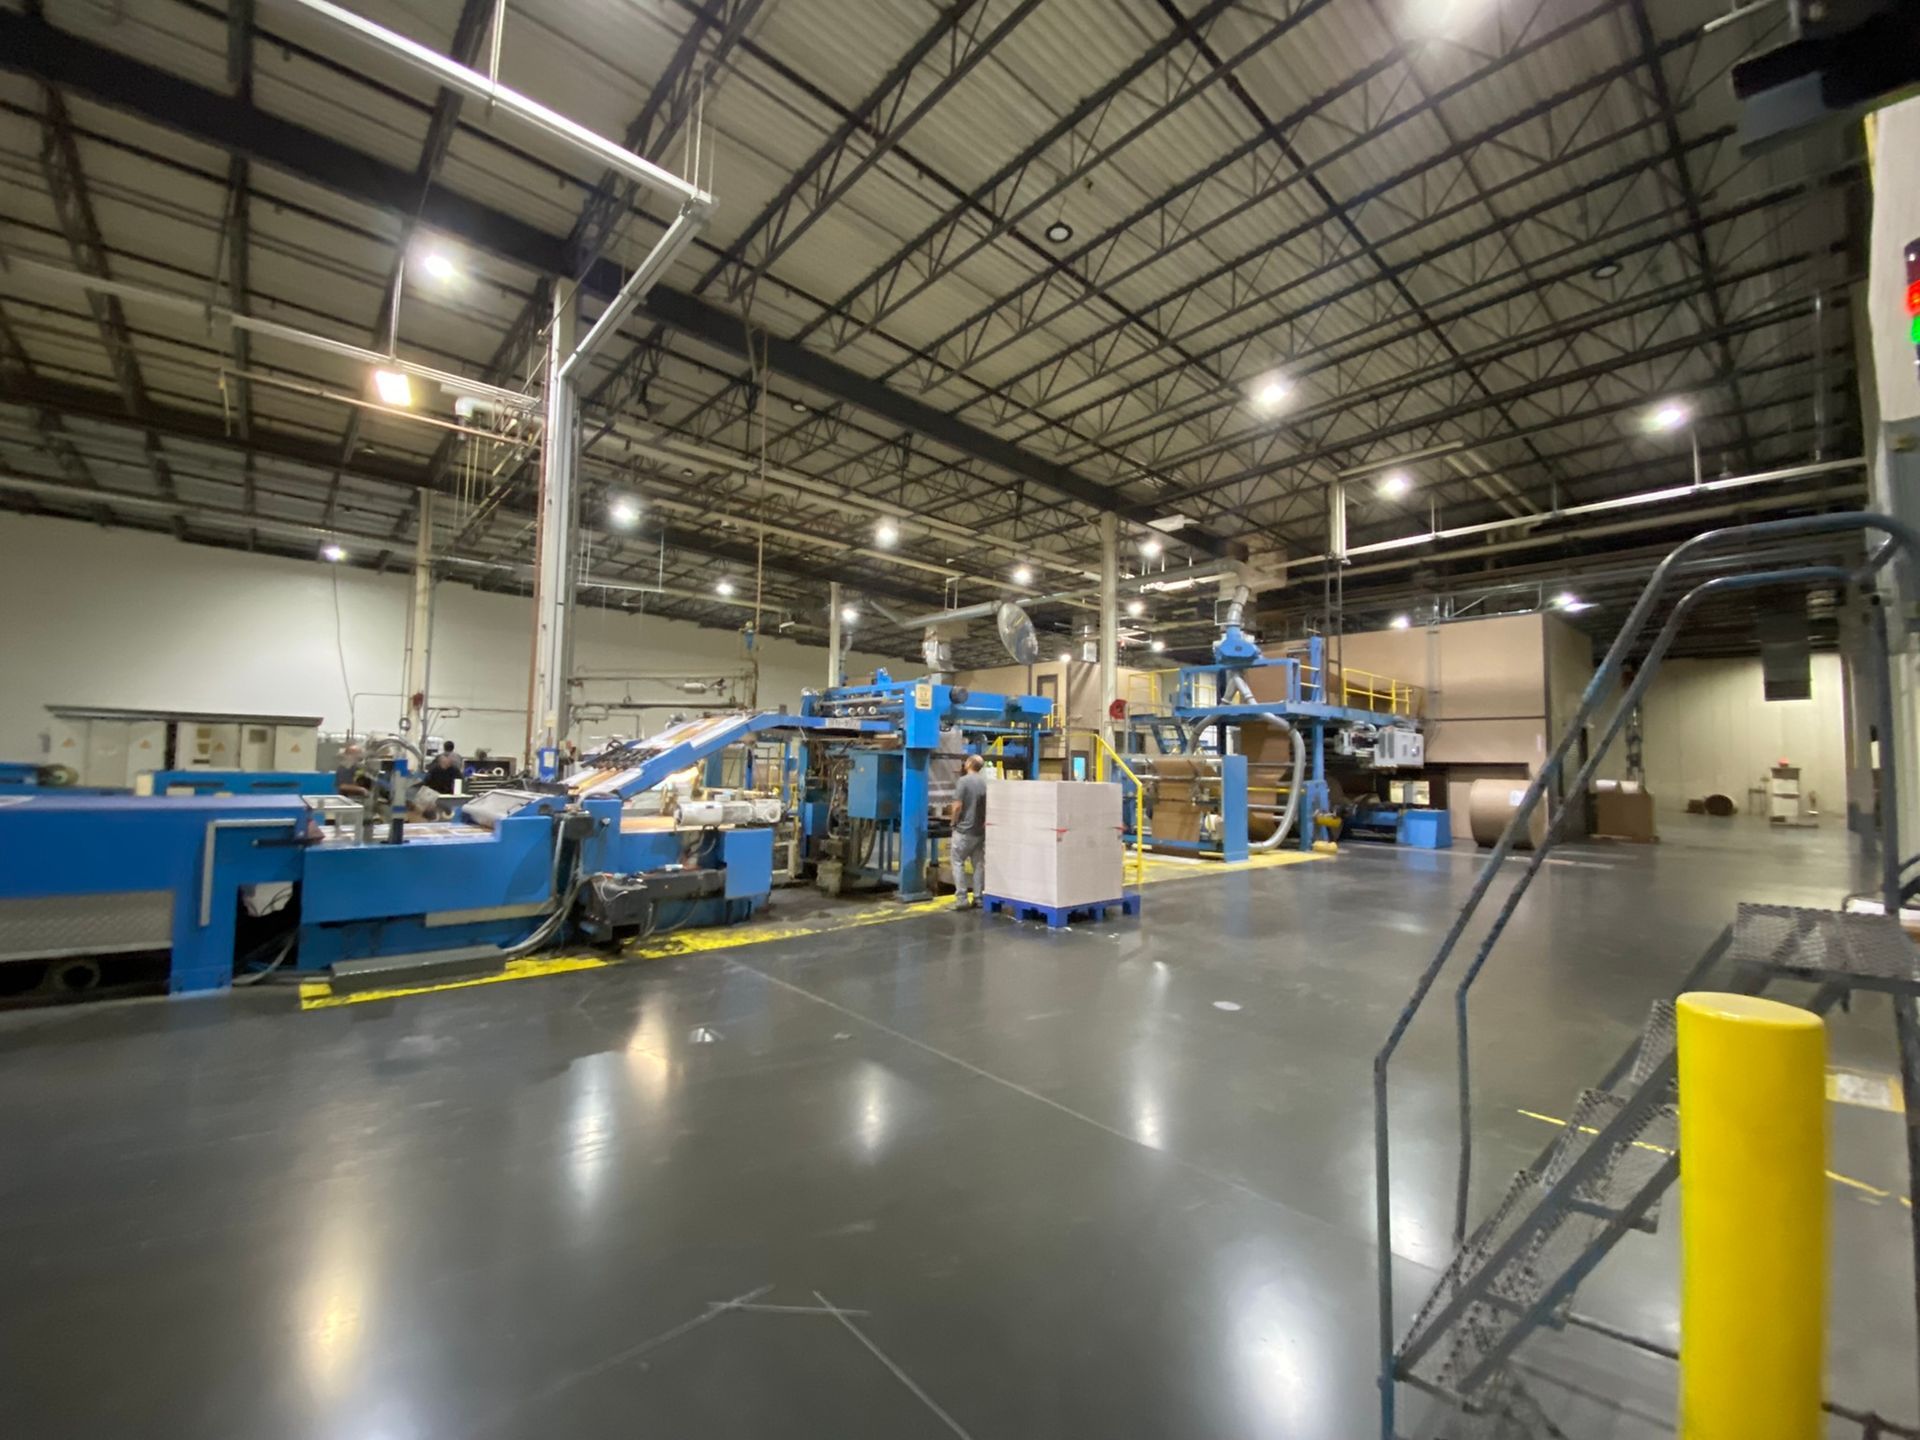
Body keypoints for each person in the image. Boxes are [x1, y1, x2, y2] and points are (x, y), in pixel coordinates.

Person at [947, 753, 989, 911]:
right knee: (978, 864)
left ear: (969, 764)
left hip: (964, 830)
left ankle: (961, 899)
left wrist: (953, 822)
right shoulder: (985, 782)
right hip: (980, 830)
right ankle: (978, 898)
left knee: (958, 862)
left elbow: (957, 806)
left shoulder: (963, 781)